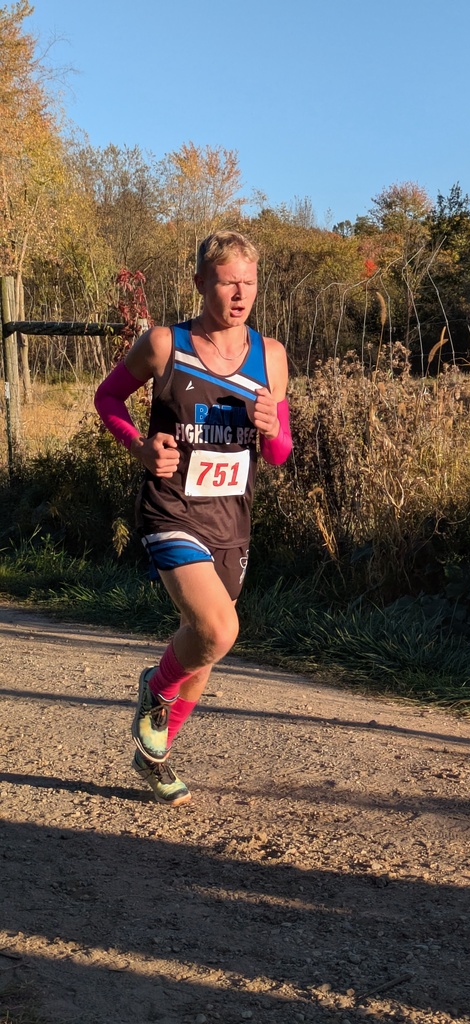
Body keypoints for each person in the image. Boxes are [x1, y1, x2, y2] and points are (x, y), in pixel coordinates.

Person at [94, 230, 292, 807]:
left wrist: (272, 427)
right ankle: (153, 689)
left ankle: (154, 756)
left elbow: (279, 454)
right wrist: (139, 448)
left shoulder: (270, 356)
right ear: (201, 281)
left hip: (231, 519)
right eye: (228, 281)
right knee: (218, 629)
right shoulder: (163, 345)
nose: (240, 293)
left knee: (205, 648)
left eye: (249, 282)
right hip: (172, 509)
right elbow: (108, 399)